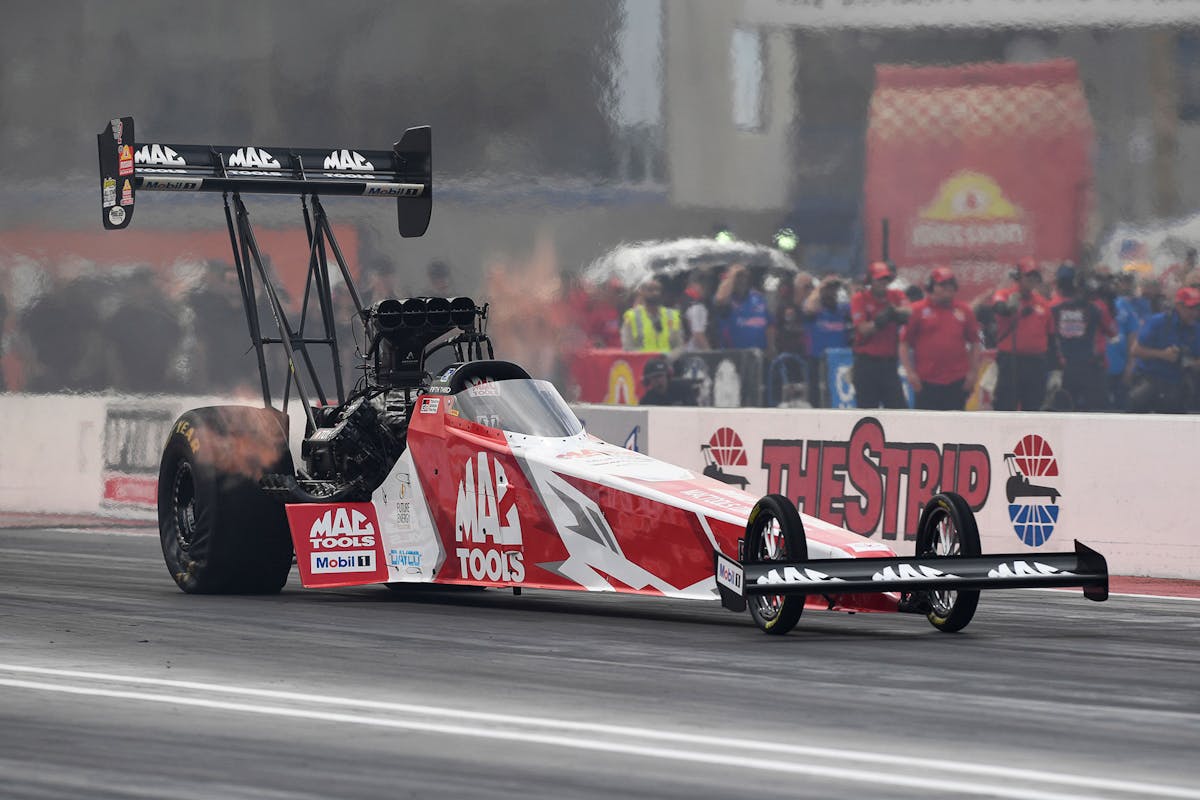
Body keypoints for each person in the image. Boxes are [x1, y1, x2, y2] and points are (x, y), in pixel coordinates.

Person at [899, 266, 979, 410]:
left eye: (950, 285)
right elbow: (904, 344)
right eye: (942, 285)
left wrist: (973, 373)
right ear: (931, 287)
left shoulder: (964, 311)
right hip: (926, 381)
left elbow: (975, 343)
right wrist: (910, 373)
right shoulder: (917, 310)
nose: (947, 289)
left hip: (957, 380)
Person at [1047, 264, 1115, 411]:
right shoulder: (1096, 308)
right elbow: (1112, 330)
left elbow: (1048, 337)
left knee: (1062, 412)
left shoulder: (1053, 308)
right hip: (1089, 367)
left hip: (1064, 368)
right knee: (1096, 412)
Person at [991, 257, 1053, 411]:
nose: (1031, 280)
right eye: (1028, 276)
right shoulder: (1005, 295)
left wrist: (1055, 368)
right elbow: (999, 308)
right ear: (1019, 277)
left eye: (1034, 277)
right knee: (1006, 405)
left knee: (1034, 407)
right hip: (1011, 361)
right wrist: (1009, 307)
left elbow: (1050, 336)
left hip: (1036, 363)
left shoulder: (1043, 303)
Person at [1128, 286, 1200, 413]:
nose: (1194, 313)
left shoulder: (1196, 329)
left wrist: (1189, 363)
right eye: (1189, 308)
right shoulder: (1158, 322)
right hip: (1150, 380)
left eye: (1196, 308)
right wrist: (1162, 354)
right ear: (1178, 306)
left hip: (1176, 385)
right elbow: (1135, 350)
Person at [849, 261, 909, 408]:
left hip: (889, 364)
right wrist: (881, 320)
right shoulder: (860, 298)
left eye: (886, 279)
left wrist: (895, 312)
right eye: (879, 279)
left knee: (899, 410)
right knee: (867, 411)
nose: (883, 283)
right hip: (867, 364)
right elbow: (862, 329)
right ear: (870, 281)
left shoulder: (895, 295)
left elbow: (909, 311)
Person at [803, 274, 852, 407]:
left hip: (839, 361)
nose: (832, 292)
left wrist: (847, 287)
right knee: (817, 396)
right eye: (829, 289)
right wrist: (821, 287)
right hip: (817, 359)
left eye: (834, 289)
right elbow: (809, 309)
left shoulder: (842, 309)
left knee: (836, 394)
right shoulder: (815, 308)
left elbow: (857, 307)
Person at [712, 262, 773, 352]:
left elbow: (770, 324)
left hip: (759, 355)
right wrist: (732, 274)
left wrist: (771, 347)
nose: (742, 280)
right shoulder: (726, 298)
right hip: (734, 355)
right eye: (738, 276)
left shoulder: (758, 297)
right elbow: (720, 300)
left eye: (744, 276)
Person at [620, 277, 682, 353]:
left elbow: (679, 346)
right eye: (650, 290)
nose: (655, 293)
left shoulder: (672, 315)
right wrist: (648, 358)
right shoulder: (631, 317)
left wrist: (667, 358)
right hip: (642, 363)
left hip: (668, 362)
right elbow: (628, 347)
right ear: (641, 292)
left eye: (658, 290)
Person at [681, 275, 712, 351]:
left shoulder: (684, 304)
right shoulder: (697, 307)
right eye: (702, 285)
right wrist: (710, 353)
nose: (705, 288)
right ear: (693, 285)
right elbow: (698, 334)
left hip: (686, 350)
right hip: (696, 351)